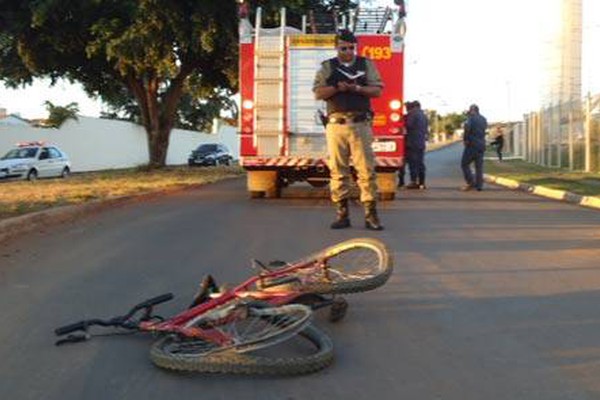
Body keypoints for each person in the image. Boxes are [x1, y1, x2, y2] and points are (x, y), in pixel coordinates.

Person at [313, 29, 384, 230]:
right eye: (343, 48)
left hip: (360, 124)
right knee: (338, 171)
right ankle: (342, 214)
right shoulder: (328, 67)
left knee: (366, 170)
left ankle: (371, 215)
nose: (347, 52)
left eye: (351, 48)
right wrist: (337, 88)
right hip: (336, 124)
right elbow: (318, 93)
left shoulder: (366, 64)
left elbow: (377, 90)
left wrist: (357, 89)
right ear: (337, 47)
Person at [460, 104, 488, 191]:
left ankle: (471, 182)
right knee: (479, 167)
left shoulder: (470, 118)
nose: (470, 112)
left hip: (472, 145)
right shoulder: (484, 119)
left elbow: (467, 129)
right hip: (481, 145)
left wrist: (465, 140)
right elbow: (484, 130)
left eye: (470, 111)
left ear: (472, 110)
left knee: (464, 164)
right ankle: (479, 186)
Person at [404, 100, 429, 189]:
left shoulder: (413, 114)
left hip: (412, 142)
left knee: (413, 163)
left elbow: (408, 125)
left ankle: (413, 182)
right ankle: (422, 182)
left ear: (413, 107)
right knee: (420, 162)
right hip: (421, 142)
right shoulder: (424, 116)